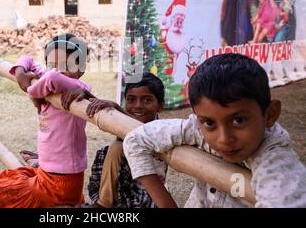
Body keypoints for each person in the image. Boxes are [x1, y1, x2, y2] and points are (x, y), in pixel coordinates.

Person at [123, 53, 306, 207]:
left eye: (238, 120)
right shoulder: (196, 128)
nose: (224, 139)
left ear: (270, 114)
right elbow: (136, 140)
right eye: (210, 123)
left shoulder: (276, 162)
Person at [0, 33, 95, 208]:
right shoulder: (51, 80)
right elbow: (28, 59)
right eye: (52, 64)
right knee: (4, 180)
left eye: (66, 65)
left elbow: (53, 78)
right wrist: (20, 72)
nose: (58, 69)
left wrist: (31, 89)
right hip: (46, 171)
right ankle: (38, 165)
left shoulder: (78, 89)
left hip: (62, 182)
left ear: (81, 68)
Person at [86, 72, 168, 208]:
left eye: (147, 100)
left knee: (117, 147)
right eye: (131, 99)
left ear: (160, 106)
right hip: (121, 191)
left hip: (144, 197)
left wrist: (116, 107)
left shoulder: (161, 130)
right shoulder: (126, 123)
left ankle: (103, 204)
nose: (138, 106)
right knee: (107, 152)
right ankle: (104, 201)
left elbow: (142, 133)